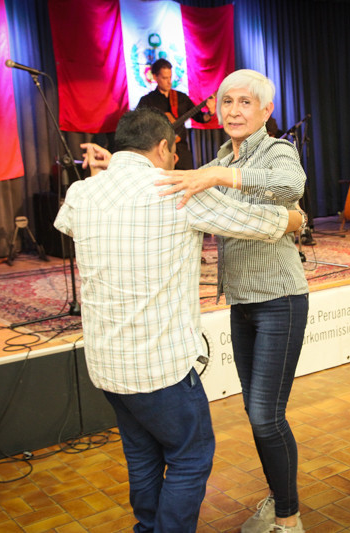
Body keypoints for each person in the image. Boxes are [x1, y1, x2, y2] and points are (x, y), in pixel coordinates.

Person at [53, 107, 305, 532]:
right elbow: (253, 222)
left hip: (107, 366)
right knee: (190, 456)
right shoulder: (176, 190)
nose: (176, 161)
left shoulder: (83, 192)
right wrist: (295, 219)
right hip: (160, 367)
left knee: (141, 456)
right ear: (162, 148)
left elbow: (70, 224)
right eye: (174, 152)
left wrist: (106, 174)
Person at [156, 69, 308, 533]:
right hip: (243, 302)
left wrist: (222, 175)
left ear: (265, 110)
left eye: (245, 102)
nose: (234, 111)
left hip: (280, 298)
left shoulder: (277, 150)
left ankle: (289, 518)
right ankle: (280, 501)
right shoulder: (221, 156)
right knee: (257, 413)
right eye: (227, 102)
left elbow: (292, 188)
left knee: (265, 416)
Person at [136, 58, 216, 170]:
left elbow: (201, 118)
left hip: (181, 151)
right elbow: (138, 127)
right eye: (164, 78)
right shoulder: (146, 101)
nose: (169, 81)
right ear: (155, 77)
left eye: (170, 77)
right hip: (159, 153)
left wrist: (210, 112)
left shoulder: (181, 97)